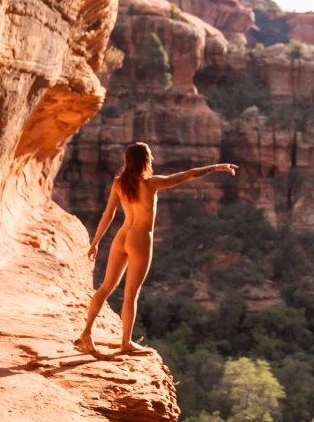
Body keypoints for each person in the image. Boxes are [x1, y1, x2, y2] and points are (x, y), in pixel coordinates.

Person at [76, 142, 238, 357]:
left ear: (128, 161)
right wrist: (216, 166)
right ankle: (125, 343)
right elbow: (186, 175)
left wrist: (95, 242)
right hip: (140, 239)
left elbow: (108, 214)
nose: (152, 160)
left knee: (106, 287)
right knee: (131, 293)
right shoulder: (150, 184)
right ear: (144, 161)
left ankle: (86, 332)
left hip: (121, 237)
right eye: (149, 157)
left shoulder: (118, 183)